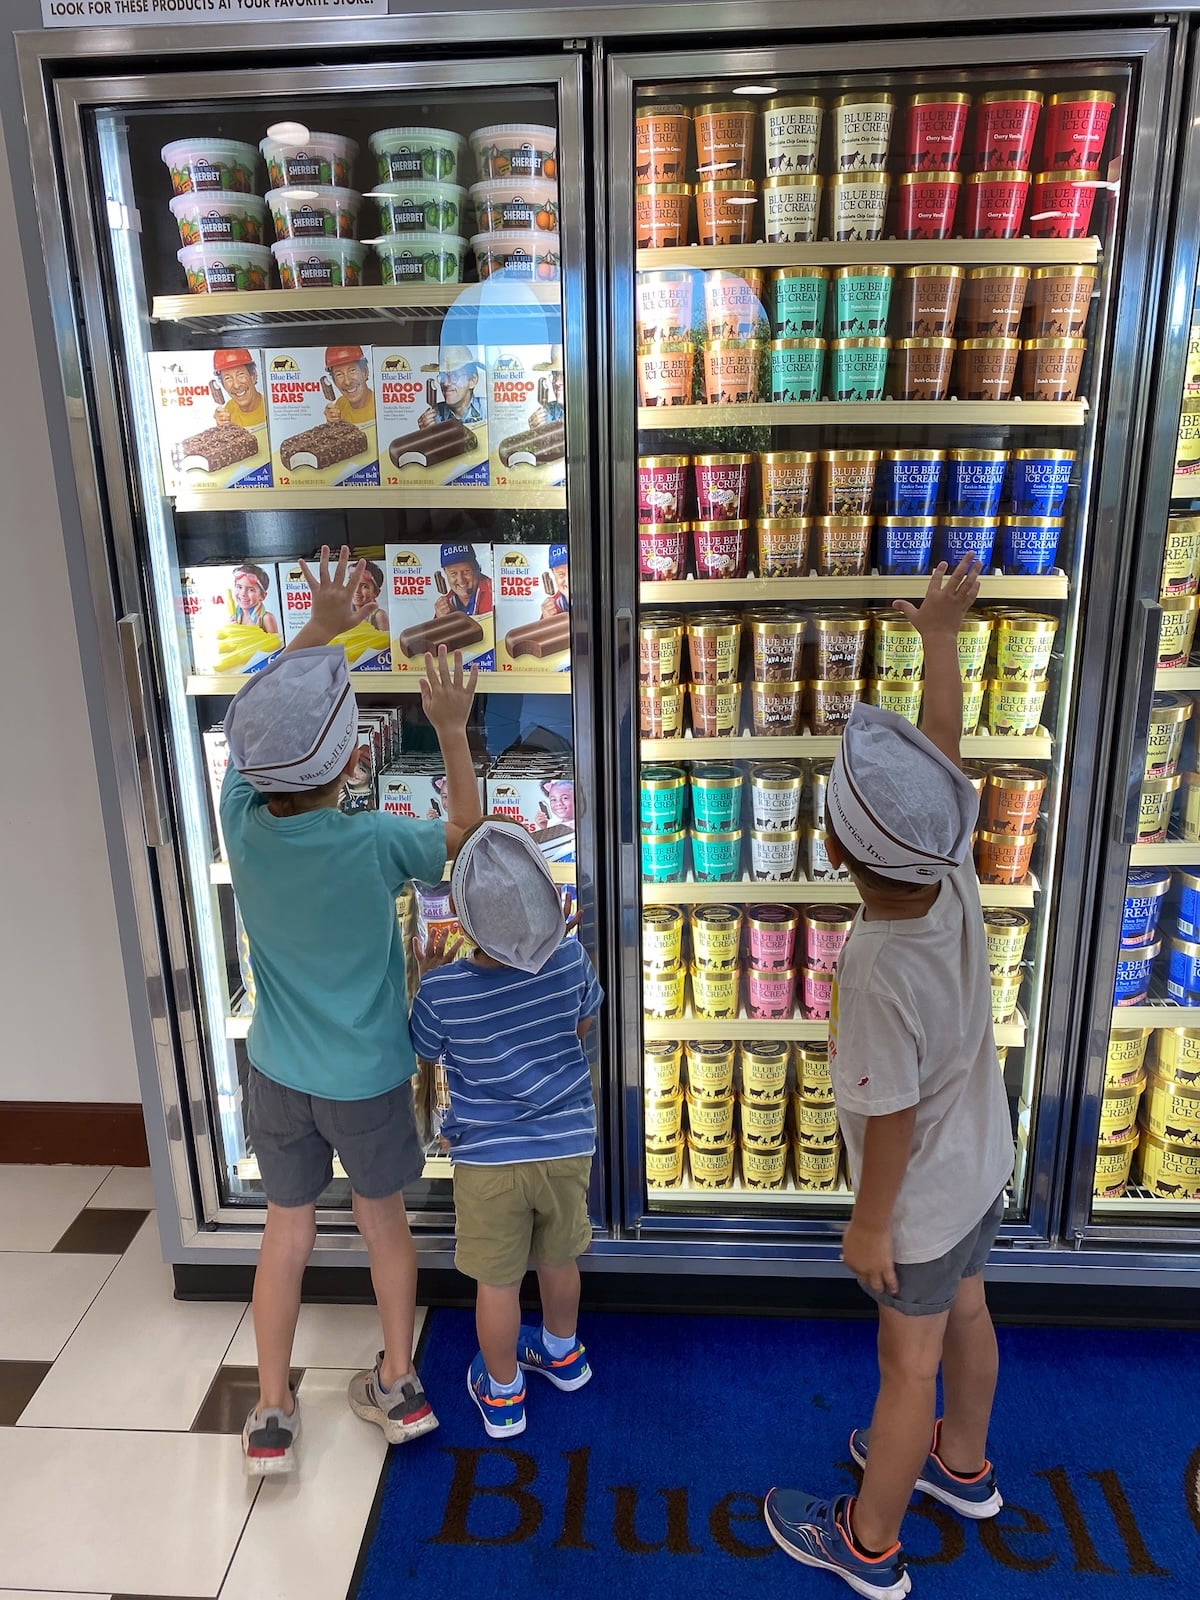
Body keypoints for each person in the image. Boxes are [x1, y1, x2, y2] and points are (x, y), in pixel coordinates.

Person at [763, 556, 1013, 1599]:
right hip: (983, 1162)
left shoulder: (870, 968)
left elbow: (890, 1116)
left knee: (902, 1364)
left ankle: (868, 1541)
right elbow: (942, 758)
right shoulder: (948, 865)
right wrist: (943, 639)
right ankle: (964, 1466)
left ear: (829, 846)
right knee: (969, 1312)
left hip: (914, 1201)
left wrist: (870, 1225)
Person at [221, 545, 481, 1477]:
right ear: (351, 761)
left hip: (279, 1074)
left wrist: (318, 630)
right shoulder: (373, 840)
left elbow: (256, 736)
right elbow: (461, 841)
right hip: (371, 1074)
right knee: (385, 1227)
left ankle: (273, 1407)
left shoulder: (239, 820)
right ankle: (400, 1383)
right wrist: (452, 730)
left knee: (284, 1232)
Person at [408, 817, 603, 1439]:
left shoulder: (444, 990)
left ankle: (503, 1394)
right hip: (568, 1149)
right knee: (560, 1258)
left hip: (488, 1161)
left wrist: (430, 975)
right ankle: (564, 1354)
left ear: (461, 923)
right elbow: (583, 1029)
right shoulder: (571, 958)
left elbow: (425, 1049)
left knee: (496, 1284)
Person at [418, 345, 485, 430]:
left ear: (472, 380)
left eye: (454, 376)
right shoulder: (434, 416)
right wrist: (426, 435)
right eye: (443, 376)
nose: (446, 383)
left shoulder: (487, 409)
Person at [434, 542, 493, 620]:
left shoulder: (494, 592)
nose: (461, 580)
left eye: (466, 571)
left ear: (476, 568)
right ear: (445, 573)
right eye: (453, 573)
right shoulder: (445, 606)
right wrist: (440, 622)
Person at [213, 348, 266, 430]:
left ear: (253, 376)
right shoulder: (229, 410)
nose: (236, 385)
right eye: (228, 378)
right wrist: (221, 428)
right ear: (223, 385)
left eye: (240, 375)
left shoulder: (269, 408)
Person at [324, 344, 376, 427]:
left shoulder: (379, 405)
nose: (347, 382)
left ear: (365, 372)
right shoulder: (340, 405)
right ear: (334, 381)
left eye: (352, 371)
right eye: (339, 374)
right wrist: (332, 425)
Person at [230, 562, 279, 637]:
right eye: (239, 587)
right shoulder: (234, 616)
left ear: (262, 596)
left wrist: (257, 633)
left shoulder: (267, 618)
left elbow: (277, 645)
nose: (243, 593)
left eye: (251, 590)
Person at [529, 345, 565, 429]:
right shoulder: (548, 411)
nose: (557, 382)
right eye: (555, 374)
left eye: (564, 375)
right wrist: (535, 433)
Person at [353, 559, 389, 634]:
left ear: (376, 593)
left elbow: (386, 643)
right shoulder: (344, 611)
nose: (356, 590)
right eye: (353, 583)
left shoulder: (378, 616)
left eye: (365, 586)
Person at [540, 543, 569, 619]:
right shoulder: (550, 609)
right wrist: (547, 622)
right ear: (553, 574)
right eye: (561, 574)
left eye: (574, 572)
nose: (568, 580)